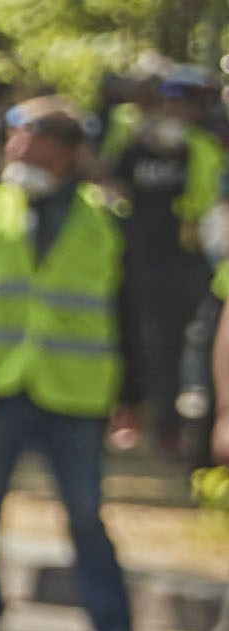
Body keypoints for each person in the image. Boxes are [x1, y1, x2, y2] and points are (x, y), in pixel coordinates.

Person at [0, 95, 149, 631]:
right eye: (13, 136)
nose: (15, 147)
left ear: (67, 152)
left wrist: (134, 396)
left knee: (85, 514)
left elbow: (127, 313)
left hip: (74, 393)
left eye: (32, 136)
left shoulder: (105, 219)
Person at [104, 67, 219, 469]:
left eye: (183, 103)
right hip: (139, 264)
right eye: (167, 102)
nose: (174, 111)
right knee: (154, 350)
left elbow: (208, 203)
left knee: (199, 352)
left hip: (189, 266)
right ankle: (154, 424)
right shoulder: (131, 148)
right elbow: (110, 188)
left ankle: (193, 439)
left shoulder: (203, 149)